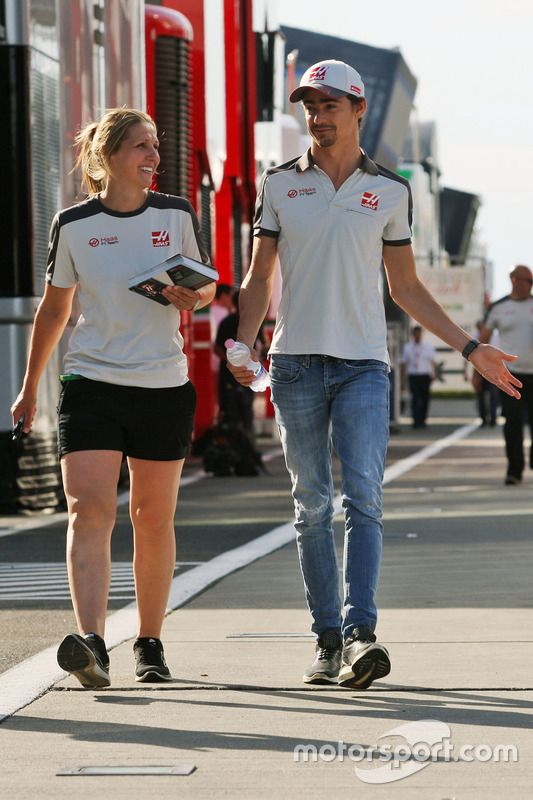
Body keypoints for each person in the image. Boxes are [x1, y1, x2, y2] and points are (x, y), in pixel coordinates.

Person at [227, 59, 521, 690]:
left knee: (364, 500)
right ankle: (326, 641)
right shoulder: (278, 184)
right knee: (310, 508)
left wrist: (471, 348)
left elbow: (407, 287)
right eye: (309, 104)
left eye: (330, 105)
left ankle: (362, 635)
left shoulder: (390, 190)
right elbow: (257, 278)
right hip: (294, 365)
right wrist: (243, 340)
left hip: (363, 366)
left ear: (359, 110)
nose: (317, 116)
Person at [11, 108, 215, 688]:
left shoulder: (176, 214)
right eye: (140, 147)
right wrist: (30, 388)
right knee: (88, 509)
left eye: (155, 145)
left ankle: (149, 643)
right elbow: (55, 310)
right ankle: (93, 641)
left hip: (162, 386)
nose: (152, 157)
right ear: (108, 156)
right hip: (92, 384)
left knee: (152, 519)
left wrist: (191, 299)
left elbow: (205, 285)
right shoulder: (72, 224)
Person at [480, 265, 533, 484]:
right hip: (511, 376)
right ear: (514, 280)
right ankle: (514, 470)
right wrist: (478, 374)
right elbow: (483, 340)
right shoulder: (499, 308)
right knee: (512, 424)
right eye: (527, 281)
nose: (530, 285)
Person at [401, 325, 437, 428]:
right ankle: (416, 420)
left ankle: (423, 420)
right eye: (415, 334)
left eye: (419, 334)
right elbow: (404, 363)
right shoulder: (408, 347)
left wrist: (434, 374)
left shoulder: (428, 346)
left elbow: (433, 361)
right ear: (413, 335)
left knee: (425, 398)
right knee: (415, 398)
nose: (417, 336)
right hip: (413, 375)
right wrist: (403, 379)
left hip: (425, 375)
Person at [467, 320, 499, 427]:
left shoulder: (495, 336)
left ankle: (493, 419)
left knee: (493, 395)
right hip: (478, 370)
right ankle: (483, 419)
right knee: (480, 395)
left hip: (493, 369)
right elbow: (468, 356)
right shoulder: (474, 337)